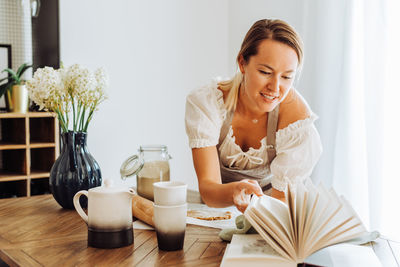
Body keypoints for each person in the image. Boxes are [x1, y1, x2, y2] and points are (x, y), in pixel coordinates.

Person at [185, 19, 322, 213]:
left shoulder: (297, 124)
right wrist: (234, 191)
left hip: (270, 217)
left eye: (286, 77)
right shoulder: (208, 103)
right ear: (242, 63)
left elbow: (281, 202)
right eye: (266, 72)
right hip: (216, 213)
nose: (275, 88)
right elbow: (208, 191)